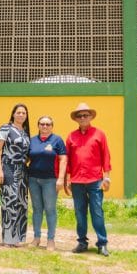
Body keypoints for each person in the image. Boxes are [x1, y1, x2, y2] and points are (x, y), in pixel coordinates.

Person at [64, 102, 112, 257]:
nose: (83, 117)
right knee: (79, 213)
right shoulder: (71, 136)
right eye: (80, 116)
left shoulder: (99, 134)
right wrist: (67, 180)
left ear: (91, 116)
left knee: (97, 212)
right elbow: (67, 160)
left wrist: (107, 177)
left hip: (95, 180)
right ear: (76, 119)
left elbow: (106, 156)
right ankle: (82, 243)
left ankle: (102, 244)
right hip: (77, 181)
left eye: (85, 115)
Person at [27, 115, 67, 251]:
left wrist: (61, 178)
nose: (45, 126)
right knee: (37, 209)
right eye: (42, 124)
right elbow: (26, 159)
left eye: (48, 124)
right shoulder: (32, 141)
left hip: (50, 180)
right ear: (38, 125)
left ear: (52, 126)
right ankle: (36, 238)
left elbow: (63, 159)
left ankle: (50, 240)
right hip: (33, 179)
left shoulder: (57, 140)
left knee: (50, 209)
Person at [0, 103, 31, 247]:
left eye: (24, 113)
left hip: (23, 170)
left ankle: (19, 238)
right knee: (9, 202)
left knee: (21, 203)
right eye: (18, 112)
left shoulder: (25, 132)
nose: (21, 115)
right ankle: (8, 239)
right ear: (13, 114)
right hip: (8, 168)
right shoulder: (6, 128)